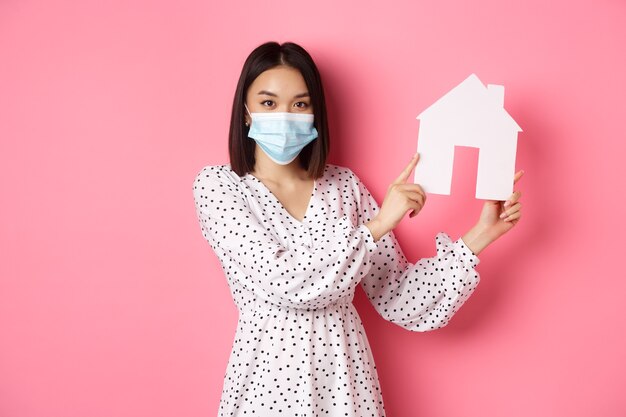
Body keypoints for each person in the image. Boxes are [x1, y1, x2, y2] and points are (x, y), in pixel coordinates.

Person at [192, 41, 523, 417]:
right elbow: (283, 280)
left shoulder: (344, 187)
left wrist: (480, 234)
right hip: (266, 383)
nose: (285, 115)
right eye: (269, 103)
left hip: (345, 383)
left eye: (300, 104)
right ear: (247, 112)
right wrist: (379, 225)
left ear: (315, 112)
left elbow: (398, 294)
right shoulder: (220, 187)